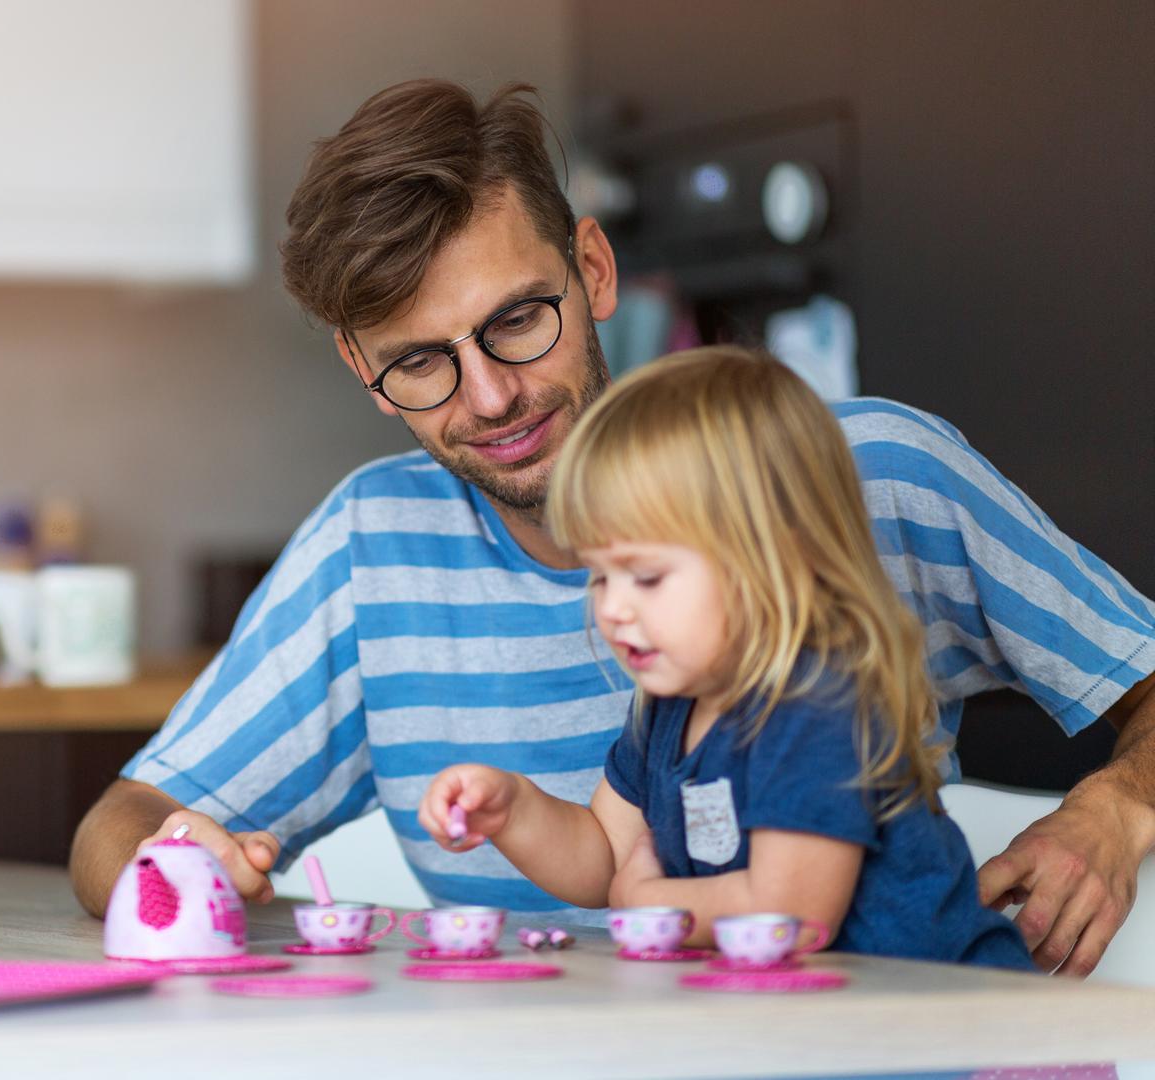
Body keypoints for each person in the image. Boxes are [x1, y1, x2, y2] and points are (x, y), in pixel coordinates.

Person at [69, 79, 1155, 976]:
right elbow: (121, 825)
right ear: (365, 372)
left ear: (593, 269)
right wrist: (177, 863)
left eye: (515, 321)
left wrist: (1114, 808)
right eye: (420, 362)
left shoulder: (862, 474)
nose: (490, 397)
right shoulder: (367, 552)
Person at [417, 346, 1032, 968]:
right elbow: (604, 853)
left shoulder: (814, 705)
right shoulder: (668, 709)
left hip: (953, 1030)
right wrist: (515, 809)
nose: (614, 609)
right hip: (828, 1032)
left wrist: (646, 900)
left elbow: (790, 915)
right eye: (600, 577)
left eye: (648, 577)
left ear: (776, 563)